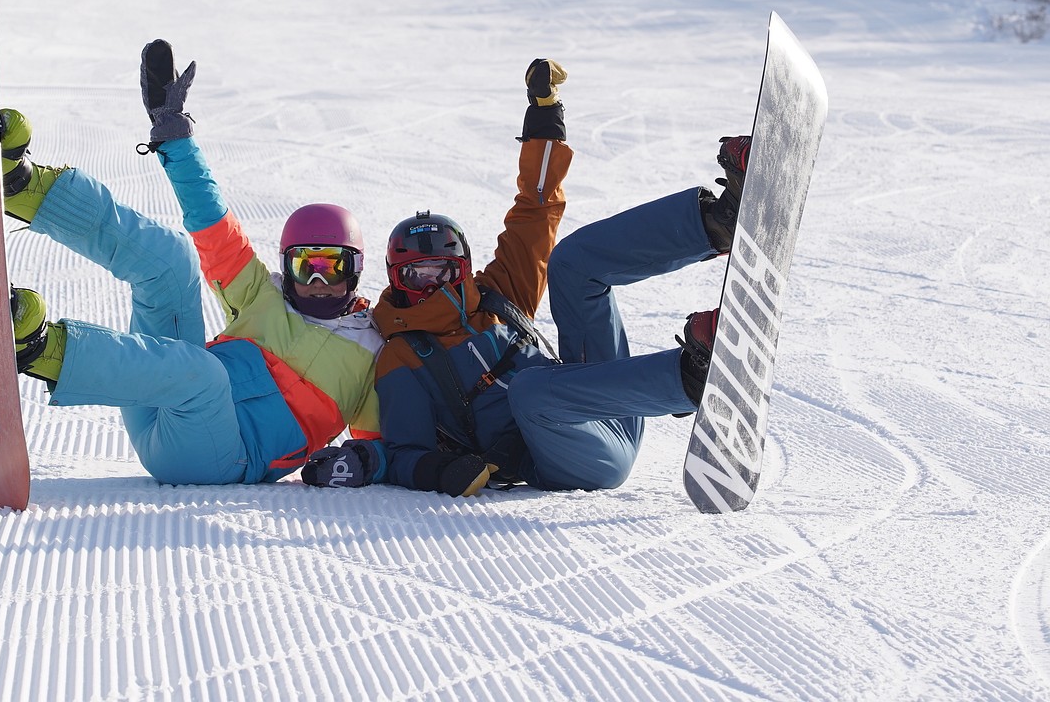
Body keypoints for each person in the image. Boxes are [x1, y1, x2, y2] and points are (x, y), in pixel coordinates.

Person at [303, 59, 752, 497]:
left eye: (443, 270)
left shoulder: (493, 295)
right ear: (396, 279)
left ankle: (718, 222)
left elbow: (534, 214)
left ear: (462, 268)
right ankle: (693, 376)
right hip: (569, 452)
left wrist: (544, 117)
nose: (432, 284)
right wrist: (440, 471)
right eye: (416, 275)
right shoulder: (403, 355)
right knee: (531, 389)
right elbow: (404, 450)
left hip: (604, 401)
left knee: (572, 261)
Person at [1, 39, 382, 487]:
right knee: (169, 260)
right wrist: (175, 137)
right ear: (287, 265)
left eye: (332, 267)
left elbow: (380, 441)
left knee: (203, 371)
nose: (318, 280)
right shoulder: (263, 295)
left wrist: (360, 463)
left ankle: (42, 350)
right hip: (165, 404)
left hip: (224, 456)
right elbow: (212, 223)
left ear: (354, 269)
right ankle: (28, 190)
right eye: (305, 266)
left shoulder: (371, 352)